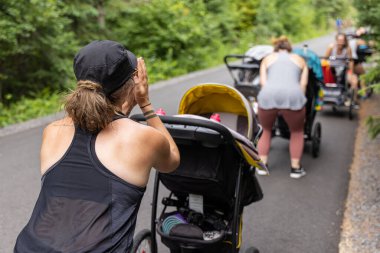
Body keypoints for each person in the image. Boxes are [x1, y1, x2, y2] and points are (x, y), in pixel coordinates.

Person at [14, 40, 180, 252]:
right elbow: (172, 160)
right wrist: (145, 103)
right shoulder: (141, 137)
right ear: (131, 85)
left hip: (30, 247)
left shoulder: (53, 131)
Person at [257, 36, 308, 179]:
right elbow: (303, 85)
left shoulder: (267, 59)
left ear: (276, 49)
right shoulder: (300, 60)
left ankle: (262, 166)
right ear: (290, 49)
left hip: (268, 95)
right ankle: (295, 169)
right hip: (293, 95)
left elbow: (263, 83)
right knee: (297, 131)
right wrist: (299, 102)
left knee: (266, 130)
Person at [325, 33, 359, 107]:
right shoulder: (331, 47)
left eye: (342, 40)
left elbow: (350, 61)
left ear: (345, 41)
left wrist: (351, 72)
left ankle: (353, 101)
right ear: (336, 40)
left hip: (344, 70)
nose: (340, 42)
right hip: (332, 69)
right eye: (339, 40)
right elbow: (325, 59)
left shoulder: (347, 49)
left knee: (354, 81)